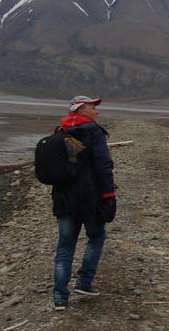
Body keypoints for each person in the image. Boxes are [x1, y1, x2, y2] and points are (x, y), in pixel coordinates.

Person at [51, 95, 117, 311]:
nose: (97, 111)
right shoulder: (94, 132)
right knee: (97, 236)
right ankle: (84, 282)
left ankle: (60, 296)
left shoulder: (61, 131)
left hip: (64, 198)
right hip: (90, 199)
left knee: (65, 245)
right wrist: (109, 197)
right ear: (80, 110)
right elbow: (103, 166)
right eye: (92, 107)